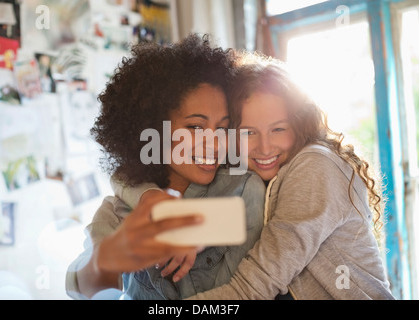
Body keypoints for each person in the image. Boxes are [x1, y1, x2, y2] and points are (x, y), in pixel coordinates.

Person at [65, 34, 266, 300]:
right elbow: (79, 289)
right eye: (195, 127)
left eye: (222, 128)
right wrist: (105, 261)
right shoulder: (118, 212)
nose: (215, 144)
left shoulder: (241, 189)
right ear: (153, 129)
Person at [183, 52, 395, 300]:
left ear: (300, 124)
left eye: (278, 129)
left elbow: (251, 289)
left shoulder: (314, 166)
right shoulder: (254, 180)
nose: (264, 147)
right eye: (249, 132)